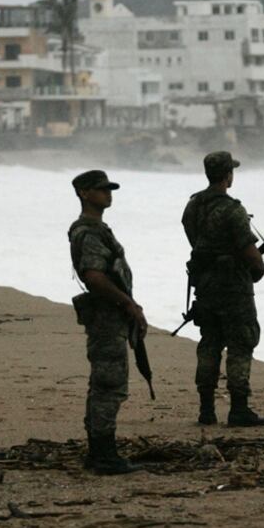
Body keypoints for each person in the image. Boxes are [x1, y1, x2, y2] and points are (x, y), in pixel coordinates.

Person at [181, 151, 264, 427]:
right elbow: (253, 257)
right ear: (228, 175)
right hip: (234, 290)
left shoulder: (193, 206)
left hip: (206, 288)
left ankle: (206, 409)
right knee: (241, 345)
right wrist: (255, 271)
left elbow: (194, 239)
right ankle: (239, 409)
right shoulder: (233, 210)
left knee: (209, 344)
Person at [68, 170, 147, 475]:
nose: (108, 194)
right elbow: (94, 275)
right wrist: (127, 303)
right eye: (101, 190)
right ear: (84, 193)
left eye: (109, 189)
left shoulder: (97, 229)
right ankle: (102, 454)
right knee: (109, 384)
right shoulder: (88, 231)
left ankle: (101, 451)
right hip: (105, 316)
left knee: (106, 383)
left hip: (111, 313)